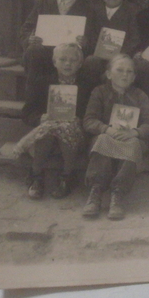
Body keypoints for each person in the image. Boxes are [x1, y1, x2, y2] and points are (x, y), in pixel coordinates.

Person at [81, 54, 149, 220]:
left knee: (133, 145)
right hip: (107, 136)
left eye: (129, 72)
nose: (125, 75)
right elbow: (88, 121)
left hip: (130, 138)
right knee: (102, 140)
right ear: (109, 74)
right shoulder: (99, 92)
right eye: (120, 70)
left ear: (134, 77)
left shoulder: (139, 95)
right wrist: (105, 129)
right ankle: (96, 190)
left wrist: (135, 132)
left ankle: (118, 193)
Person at [13, 43, 90, 200]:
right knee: (49, 129)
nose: (68, 64)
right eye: (62, 59)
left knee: (67, 125)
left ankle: (67, 177)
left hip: (73, 139)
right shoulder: (42, 83)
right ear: (54, 62)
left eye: (73, 60)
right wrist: (41, 117)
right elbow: (27, 113)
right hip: (47, 137)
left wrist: (79, 119)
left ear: (80, 64)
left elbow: (91, 115)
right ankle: (36, 176)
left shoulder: (86, 86)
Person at [19, 0, 89, 86]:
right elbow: (26, 28)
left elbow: (94, 34)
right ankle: (33, 100)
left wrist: (86, 41)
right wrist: (30, 38)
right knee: (33, 51)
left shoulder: (88, 8)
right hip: (45, 52)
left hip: (72, 56)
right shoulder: (42, 3)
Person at [82, 0, 140, 92]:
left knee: (124, 65)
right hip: (97, 54)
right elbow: (90, 34)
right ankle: (91, 96)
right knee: (91, 61)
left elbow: (135, 39)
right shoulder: (93, 9)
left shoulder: (133, 11)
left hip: (122, 54)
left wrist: (119, 55)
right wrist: (98, 50)